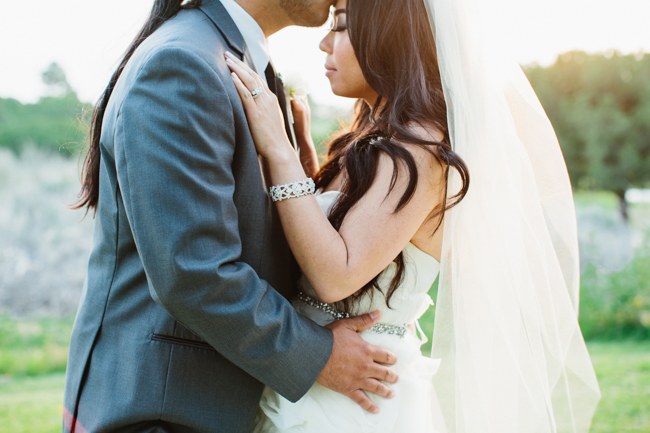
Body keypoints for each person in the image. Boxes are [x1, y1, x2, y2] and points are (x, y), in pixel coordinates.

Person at [227, 0, 601, 431]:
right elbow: (350, 234)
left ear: (390, 39)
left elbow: (335, 275)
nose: (324, 42)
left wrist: (278, 152)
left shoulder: (420, 146)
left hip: (355, 398)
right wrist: (304, 166)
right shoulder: (373, 134)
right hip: (317, 377)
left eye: (343, 27)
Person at [63, 1, 400, 432]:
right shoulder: (184, 63)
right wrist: (320, 357)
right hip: (161, 411)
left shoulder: (239, 62)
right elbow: (193, 271)